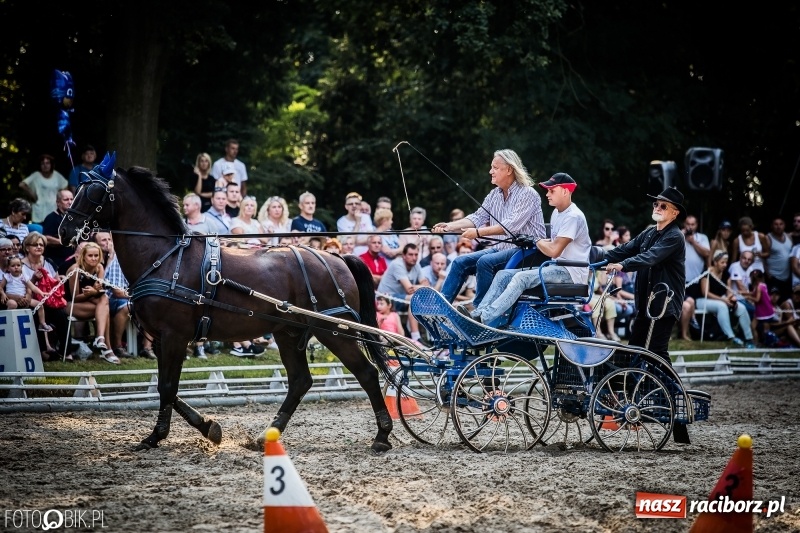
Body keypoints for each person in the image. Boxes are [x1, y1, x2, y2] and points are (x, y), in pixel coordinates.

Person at [469, 172, 590, 326]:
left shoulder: (573, 216)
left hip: (571, 273)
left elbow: (554, 251)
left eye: (552, 191)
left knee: (521, 278)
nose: (547, 194)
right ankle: (476, 314)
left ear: (565, 191)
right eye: (547, 190)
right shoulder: (557, 213)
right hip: (557, 267)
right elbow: (553, 242)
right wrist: (529, 239)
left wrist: (535, 240)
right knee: (503, 274)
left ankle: (484, 319)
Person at [432, 149, 546, 307]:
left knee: (485, 262)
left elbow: (510, 226)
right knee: (459, 262)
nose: (490, 171)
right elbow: (477, 217)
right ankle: (440, 309)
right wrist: (449, 226)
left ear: (509, 170)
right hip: (502, 250)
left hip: (528, 253)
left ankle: (480, 311)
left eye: (495, 167)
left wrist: (477, 233)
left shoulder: (528, 194)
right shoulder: (494, 195)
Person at [605, 187, 687, 361]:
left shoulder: (675, 236)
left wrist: (622, 265)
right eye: (656, 204)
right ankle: (638, 386)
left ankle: (674, 389)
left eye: (663, 206)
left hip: (664, 304)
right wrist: (593, 257)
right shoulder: (649, 233)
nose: (657, 207)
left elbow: (650, 257)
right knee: (635, 349)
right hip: (645, 303)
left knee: (657, 352)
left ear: (675, 213)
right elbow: (624, 250)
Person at [20, 232, 76, 361]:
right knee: (34, 314)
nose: (39, 247)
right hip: (31, 301)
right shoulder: (21, 265)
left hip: (49, 301)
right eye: (35, 244)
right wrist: (34, 279)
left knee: (62, 316)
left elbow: (57, 282)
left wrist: (59, 280)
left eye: (41, 245)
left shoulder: (48, 262)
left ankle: (66, 351)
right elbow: (22, 287)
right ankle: (43, 350)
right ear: (27, 247)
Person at [65, 241, 118, 363]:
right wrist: (92, 293)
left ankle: (100, 339)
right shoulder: (75, 270)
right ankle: (106, 347)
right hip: (72, 305)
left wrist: (95, 292)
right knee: (104, 310)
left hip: (92, 303)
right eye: (90, 256)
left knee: (104, 300)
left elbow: (100, 292)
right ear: (83, 256)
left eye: (96, 255)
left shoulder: (99, 267)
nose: (94, 259)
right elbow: (74, 298)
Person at [695, 251, 755, 348]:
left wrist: (731, 298)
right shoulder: (706, 273)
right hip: (702, 300)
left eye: (726, 263)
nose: (725, 265)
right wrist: (723, 300)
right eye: (722, 262)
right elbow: (705, 293)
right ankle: (731, 337)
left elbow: (728, 290)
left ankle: (749, 339)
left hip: (721, 299)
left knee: (741, 307)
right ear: (715, 262)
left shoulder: (726, 274)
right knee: (722, 306)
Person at [104, 252, 156, 359]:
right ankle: (117, 347)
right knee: (126, 307)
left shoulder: (144, 264)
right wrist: (141, 295)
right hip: (112, 300)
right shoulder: (118, 262)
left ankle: (147, 348)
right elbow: (117, 292)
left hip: (134, 299)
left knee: (153, 307)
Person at [376, 243, 429, 345]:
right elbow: (410, 289)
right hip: (385, 298)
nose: (414, 257)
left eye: (416, 254)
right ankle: (416, 337)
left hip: (402, 298)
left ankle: (419, 337)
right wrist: (422, 286)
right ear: (403, 256)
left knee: (418, 300)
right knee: (415, 298)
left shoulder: (416, 265)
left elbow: (426, 285)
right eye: (410, 254)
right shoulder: (397, 264)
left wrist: (420, 287)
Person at [0, 256, 51, 336]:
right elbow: (0, 287)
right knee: (12, 304)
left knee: (39, 304)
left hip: (24, 297)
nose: (16, 267)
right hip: (11, 298)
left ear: (22, 266)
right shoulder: (7, 277)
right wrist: (3, 294)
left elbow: (32, 287)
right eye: (13, 266)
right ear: (8, 268)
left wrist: (41, 293)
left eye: (18, 265)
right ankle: (8, 321)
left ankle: (42, 323)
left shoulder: (24, 277)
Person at [679, 214, 710, 342]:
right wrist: (681, 236)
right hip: (680, 280)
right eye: (688, 224)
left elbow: (707, 253)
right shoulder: (679, 236)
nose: (690, 227)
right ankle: (687, 328)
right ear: (684, 225)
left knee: (690, 303)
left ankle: (690, 328)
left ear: (696, 225)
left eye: (693, 224)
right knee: (687, 303)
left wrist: (693, 241)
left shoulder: (702, 238)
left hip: (696, 281)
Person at [19, 154, 68, 224]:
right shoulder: (36, 175)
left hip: (53, 209)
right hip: (39, 210)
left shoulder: (57, 175)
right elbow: (22, 185)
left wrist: (60, 200)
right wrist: (32, 194)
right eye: (43, 163)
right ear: (40, 165)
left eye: (47, 163)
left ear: (51, 165)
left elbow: (65, 186)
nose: (45, 165)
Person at [41, 189, 74, 270]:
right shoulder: (51, 218)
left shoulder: (74, 218)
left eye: (71, 199)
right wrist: (66, 242)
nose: (70, 202)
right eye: (66, 200)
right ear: (58, 202)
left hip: (73, 259)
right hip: (57, 261)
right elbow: (47, 239)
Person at [336, 192, 374, 256]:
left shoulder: (366, 217)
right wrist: (358, 222)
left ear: (360, 206)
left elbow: (371, 238)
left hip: (368, 256)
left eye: (357, 203)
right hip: (352, 256)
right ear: (346, 206)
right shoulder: (341, 222)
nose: (354, 205)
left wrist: (356, 242)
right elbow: (350, 242)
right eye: (351, 204)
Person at [765, 216, 793, 300]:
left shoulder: (789, 237)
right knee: (773, 301)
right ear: (772, 226)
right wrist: (767, 273)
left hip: (787, 277)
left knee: (785, 301)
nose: (778, 226)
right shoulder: (767, 238)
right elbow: (762, 257)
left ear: (784, 225)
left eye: (781, 224)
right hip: (773, 276)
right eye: (776, 224)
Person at [746, 269, 776, 344]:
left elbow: (757, 299)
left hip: (764, 311)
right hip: (760, 311)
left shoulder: (759, 287)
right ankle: (756, 342)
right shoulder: (762, 285)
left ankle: (769, 343)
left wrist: (749, 298)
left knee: (766, 330)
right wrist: (743, 293)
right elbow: (753, 293)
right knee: (753, 326)